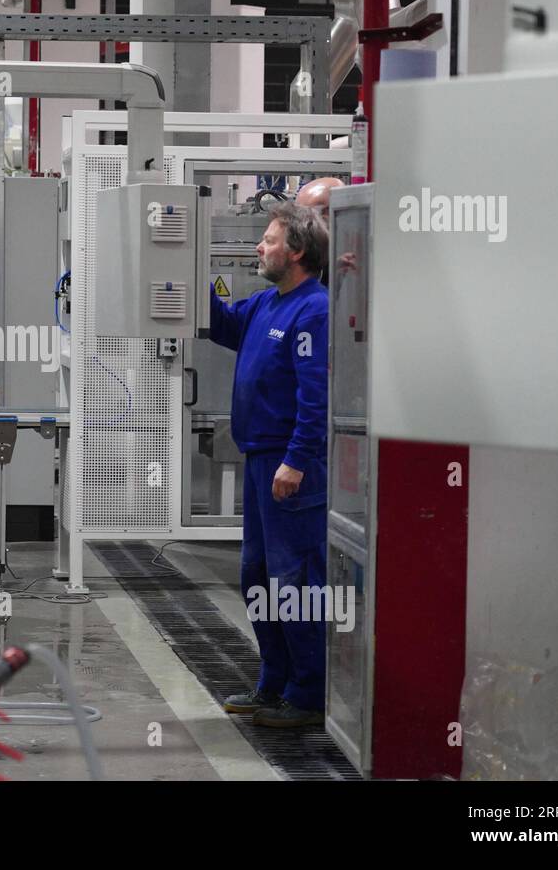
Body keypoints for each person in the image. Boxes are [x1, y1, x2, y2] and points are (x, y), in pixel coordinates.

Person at [212, 202, 330, 728]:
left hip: (290, 469)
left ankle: (309, 694)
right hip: (262, 462)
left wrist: (297, 461)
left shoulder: (314, 310)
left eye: (268, 239)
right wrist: (185, 269)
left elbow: (317, 398)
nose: (258, 247)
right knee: (257, 576)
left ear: (297, 251)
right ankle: (273, 682)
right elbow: (218, 322)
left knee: (294, 581)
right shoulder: (265, 304)